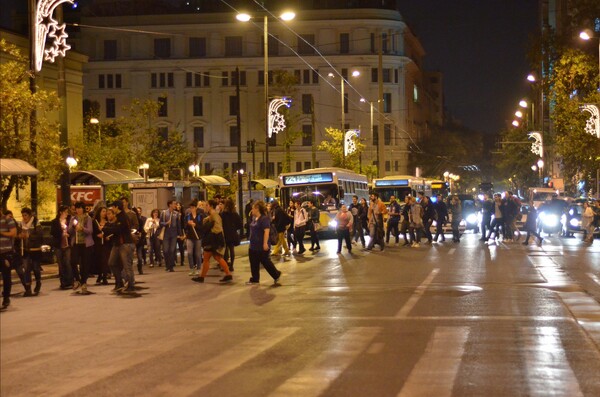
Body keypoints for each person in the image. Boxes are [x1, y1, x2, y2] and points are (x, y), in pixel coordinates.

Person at [192, 199, 233, 283]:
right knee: (217, 257)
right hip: (214, 240)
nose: (204, 207)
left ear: (210, 206)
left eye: (206, 205)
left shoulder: (214, 215)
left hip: (212, 240)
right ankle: (228, 274)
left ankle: (202, 277)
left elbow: (217, 228)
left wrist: (210, 231)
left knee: (207, 258)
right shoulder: (212, 215)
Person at [246, 200, 282, 285]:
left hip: (261, 245)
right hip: (253, 245)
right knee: (253, 262)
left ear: (257, 209)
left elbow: (266, 231)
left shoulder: (264, 219)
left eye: (253, 208)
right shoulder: (255, 218)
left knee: (265, 261)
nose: (252, 210)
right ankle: (255, 278)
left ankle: (276, 275)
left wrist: (265, 243)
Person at [105, 201, 136, 293]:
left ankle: (130, 284)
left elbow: (118, 229)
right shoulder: (118, 217)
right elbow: (115, 228)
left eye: (113, 207)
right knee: (111, 262)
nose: (112, 209)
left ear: (116, 207)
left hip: (125, 243)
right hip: (117, 244)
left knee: (127, 265)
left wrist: (105, 229)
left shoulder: (123, 217)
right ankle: (119, 282)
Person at [68, 201, 94, 294]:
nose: (78, 210)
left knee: (85, 264)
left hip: (86, 244)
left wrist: (82, 228)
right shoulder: (73, 218)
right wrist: (74, 227)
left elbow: (90, 231)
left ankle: (84, 282)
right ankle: (77, 279)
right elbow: (69, 230)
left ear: (83, 209)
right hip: (76, 243)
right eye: (77, 208)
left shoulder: (88, 218)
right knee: (73, 261)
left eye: (80, 208)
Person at [17, 208, 44, 296]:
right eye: (23, 215)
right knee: (26, 269)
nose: (24, 217)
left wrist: (29, 235)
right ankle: (28, 289)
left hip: (35, 249)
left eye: (26, 215)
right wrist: (20, 236)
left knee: (36, 268)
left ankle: (38, 282)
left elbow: (40, 234)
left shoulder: (36, 222)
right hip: (25, 250)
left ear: (30, 215)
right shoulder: (21, 224)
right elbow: (18, 234)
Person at [50, 205, 73, 289]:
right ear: (61, 212)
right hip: (59, 245)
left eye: (67, 212)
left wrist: (68, 234)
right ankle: (63, 282)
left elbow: (72, 231)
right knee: (60, 264)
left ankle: (70, 281)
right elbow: (53, 232)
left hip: (67, 244)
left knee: (67, 262)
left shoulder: (69, 221)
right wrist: (61, 233)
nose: (67, 214)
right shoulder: (55, 222)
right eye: (65, 212)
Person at [1, 207, 18, 308]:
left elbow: (14, 233)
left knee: (6, 276)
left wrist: (2, 233)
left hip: (6, 252)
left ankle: (6, 298)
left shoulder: (8, 220)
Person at [160, 200, 183, 272]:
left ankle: (171, 266)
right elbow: (160, 223)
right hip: (166, 234)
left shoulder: (177, 214)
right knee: (165, 250)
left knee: (172, 250)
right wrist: (166, 223)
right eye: (174, 204)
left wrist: (180, 234)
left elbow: (178, 225)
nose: (175, 205)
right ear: (170, 205)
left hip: (174, 234)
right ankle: (167, 265)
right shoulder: (164, 213)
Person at [221, 198, 243, 271]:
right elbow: (240, 224)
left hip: (225, 233)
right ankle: (232, 265)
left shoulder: (223, 214)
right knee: (232, 249)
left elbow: (220, 223)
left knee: (225, 250)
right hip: (233, 233)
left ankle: (225, 265)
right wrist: (234, 228)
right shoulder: (235, 214)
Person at [184, 200, 204, 275]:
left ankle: (198, 268)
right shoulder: (188, 216)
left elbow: (202, 226)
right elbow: (185, 226)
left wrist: (195, 225)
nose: (191, 209)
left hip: (198, 236)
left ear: (195, 208)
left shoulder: (200, 216)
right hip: (190, 236)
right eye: (190, 207)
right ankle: (191, 268)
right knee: (189, 253)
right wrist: (188, 224)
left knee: (198, 253)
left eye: (193, 207)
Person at [92, 206, 111, 285]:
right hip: (98, 243)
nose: (104, 213)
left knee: (105, 260)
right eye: (103, 211)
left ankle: (104, 276)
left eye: (105, 212)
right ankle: (100, 274)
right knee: (99, 260)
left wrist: (107, 236)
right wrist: (97, 235)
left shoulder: (108, 222)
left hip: (106, 244)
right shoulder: (95, 222)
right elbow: (92, 232)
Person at [175, 202, 186, 266]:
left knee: (181, 247)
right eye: (177, 205)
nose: (178, 206)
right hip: (175, 231)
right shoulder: (174, 214)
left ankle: (182, 260)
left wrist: (184, 233)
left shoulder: (183, 214)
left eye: (179, 205)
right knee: (174, 247)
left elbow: (184, 224)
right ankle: (175, 260)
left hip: (181, 231)